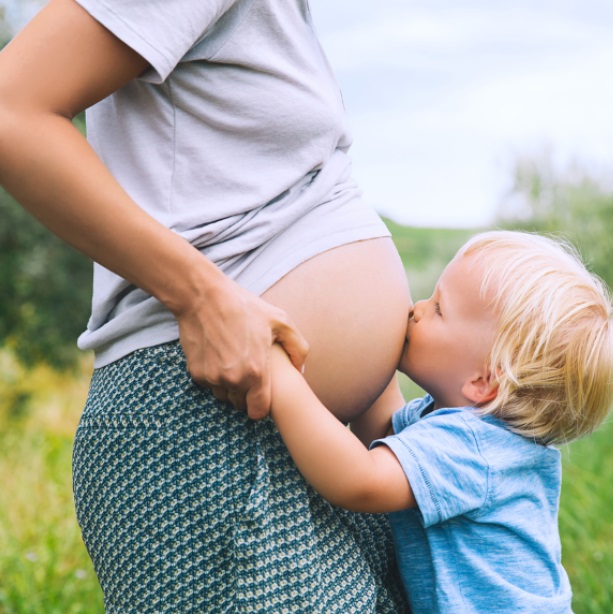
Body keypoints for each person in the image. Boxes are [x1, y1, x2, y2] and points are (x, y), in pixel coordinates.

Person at [0, 0, 412, 611]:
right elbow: (11, 112)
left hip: (300, 445)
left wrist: (379, 397)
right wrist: (201, 296)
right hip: (206, 425)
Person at [268, 230, 613, 613]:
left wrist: (277, 372)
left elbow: (360, 481)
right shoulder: (453, 423)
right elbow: (381, 433)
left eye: (439, 309)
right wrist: (371, 334)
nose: (416, 309)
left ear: (483, 381)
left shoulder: (474, 448)